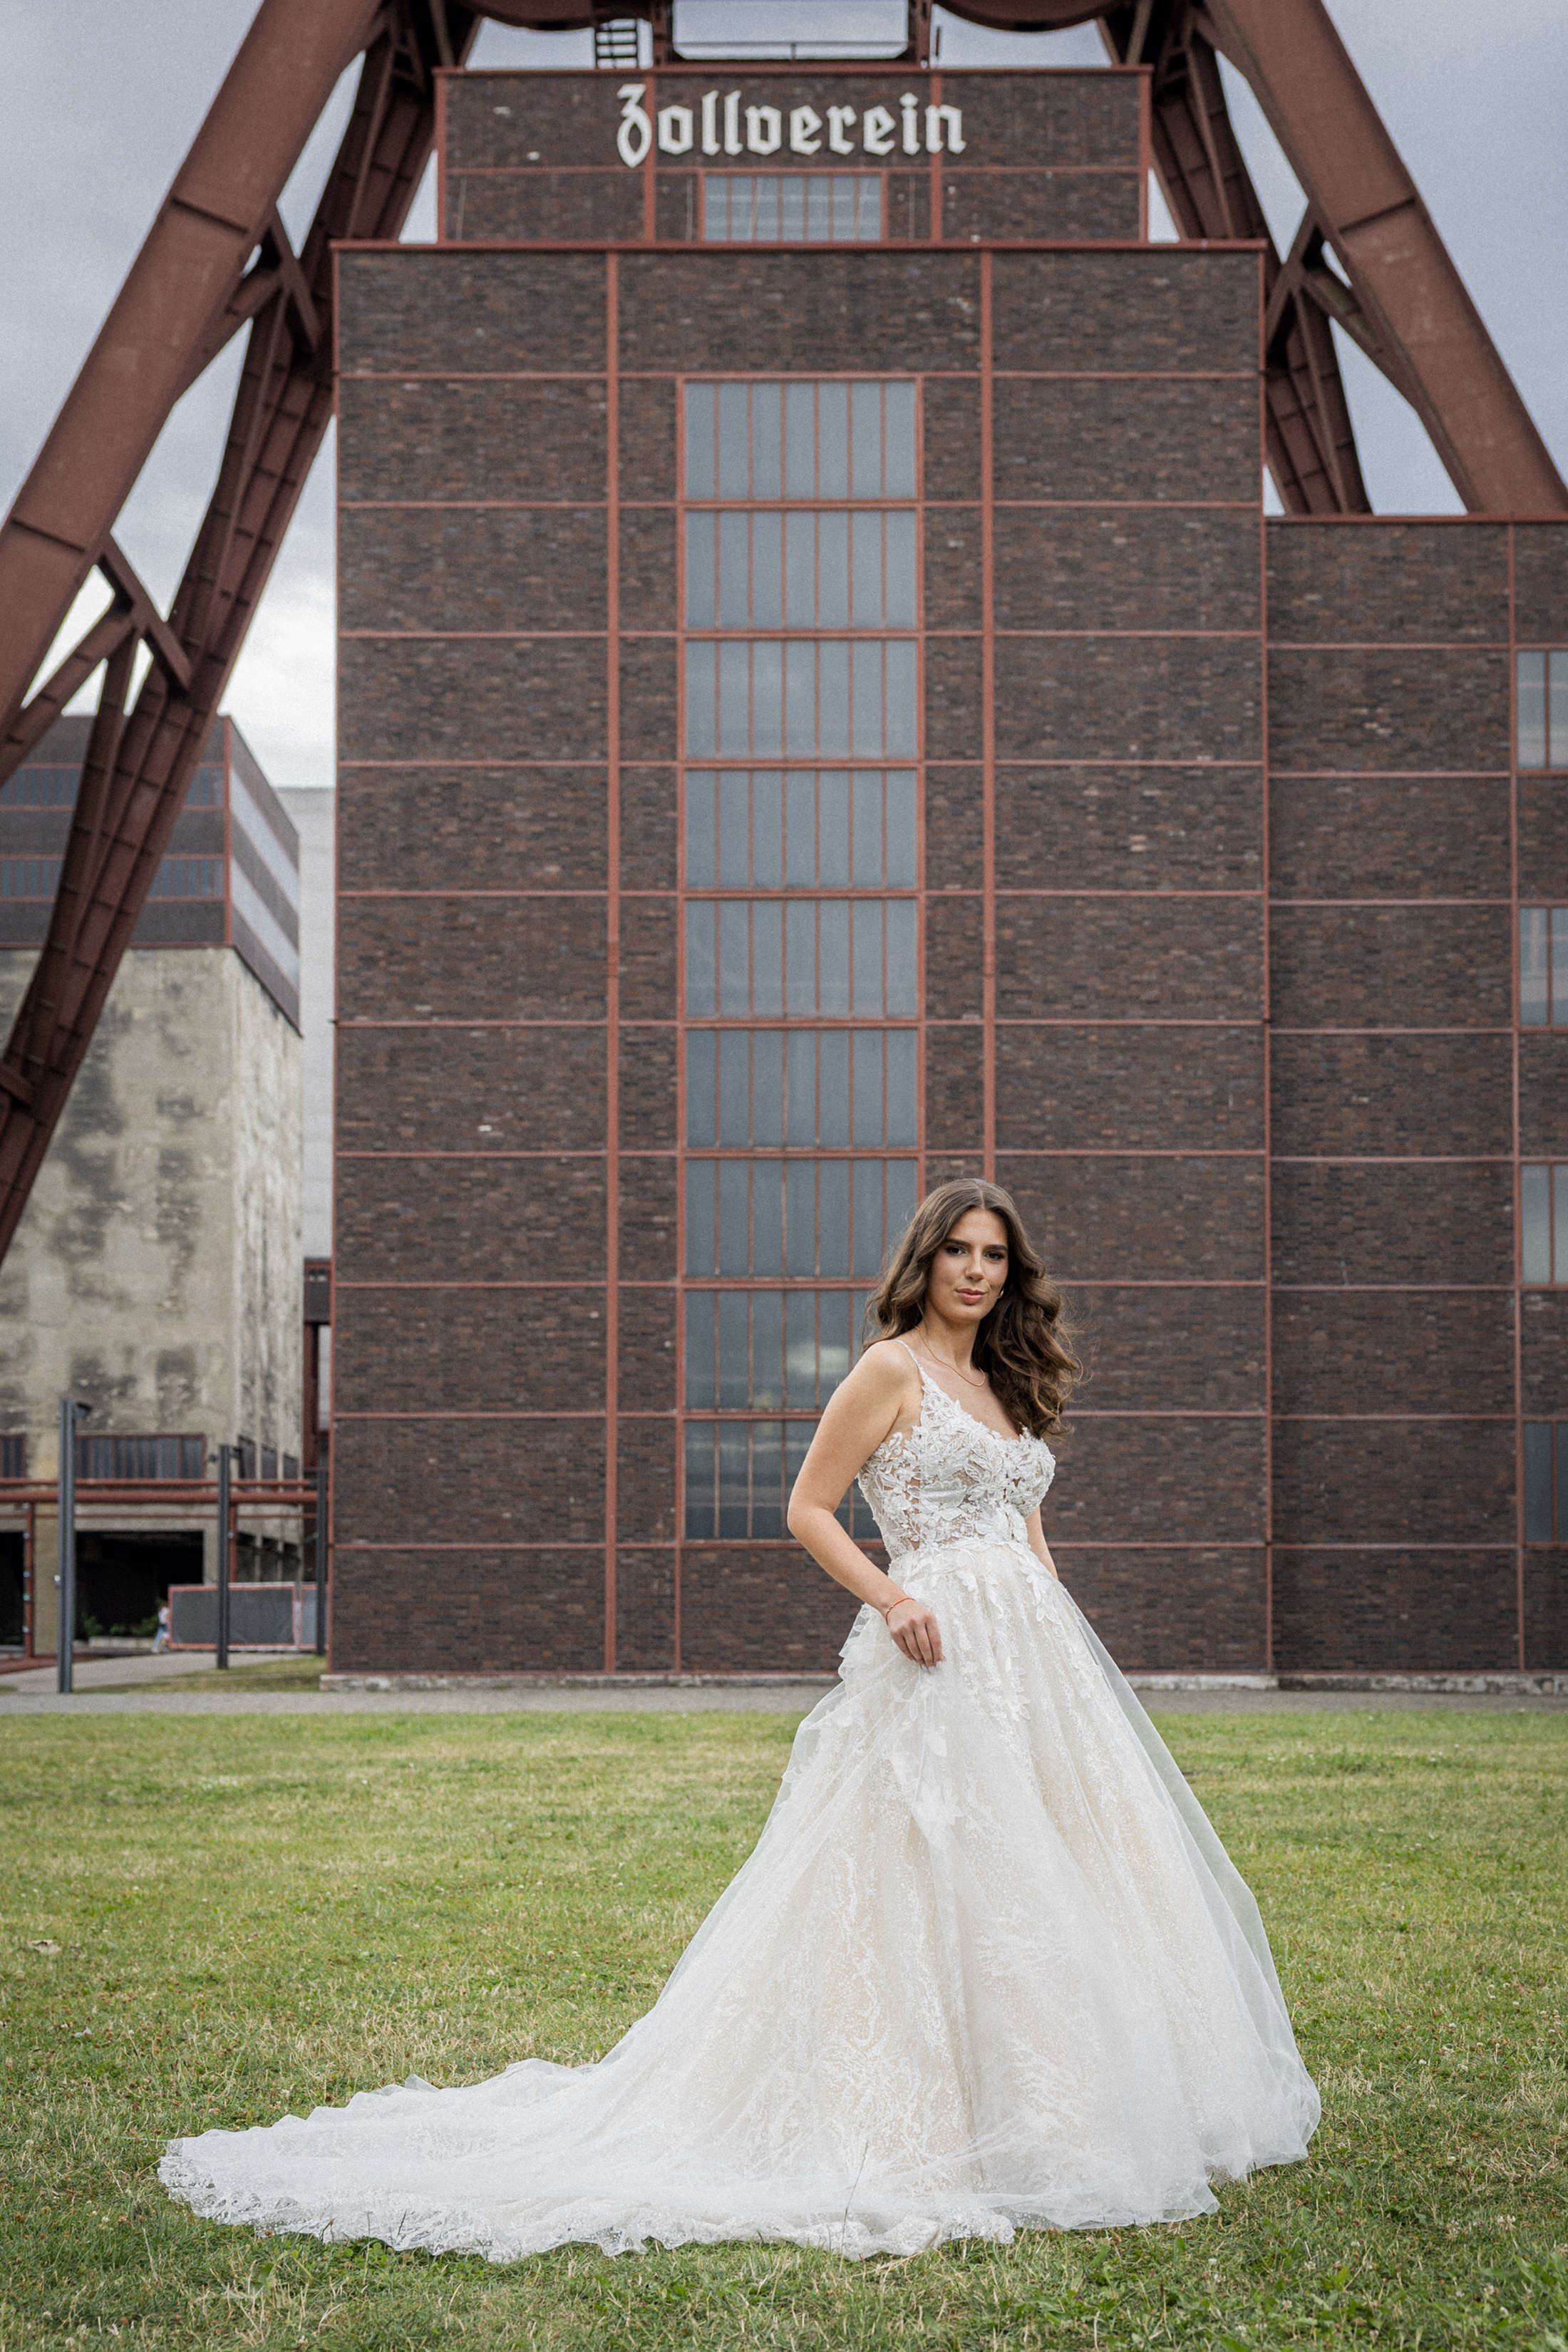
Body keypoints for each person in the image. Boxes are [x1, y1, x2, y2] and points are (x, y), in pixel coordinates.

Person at [162, 1177, 1319, 2259]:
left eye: (995, 1258)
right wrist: (893, 1595)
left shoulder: (1007, 1386)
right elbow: (808, 1508)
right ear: (923, 1263)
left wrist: (1060, 1621)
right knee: (938, 1866)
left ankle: (1086, 2100)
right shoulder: (888, 1370)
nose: (975, 1271)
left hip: (1034, 1656)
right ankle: (923, 2117)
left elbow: (1026, 1527)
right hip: (937, 1638)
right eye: (958, 1252)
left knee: (1073, 1859)